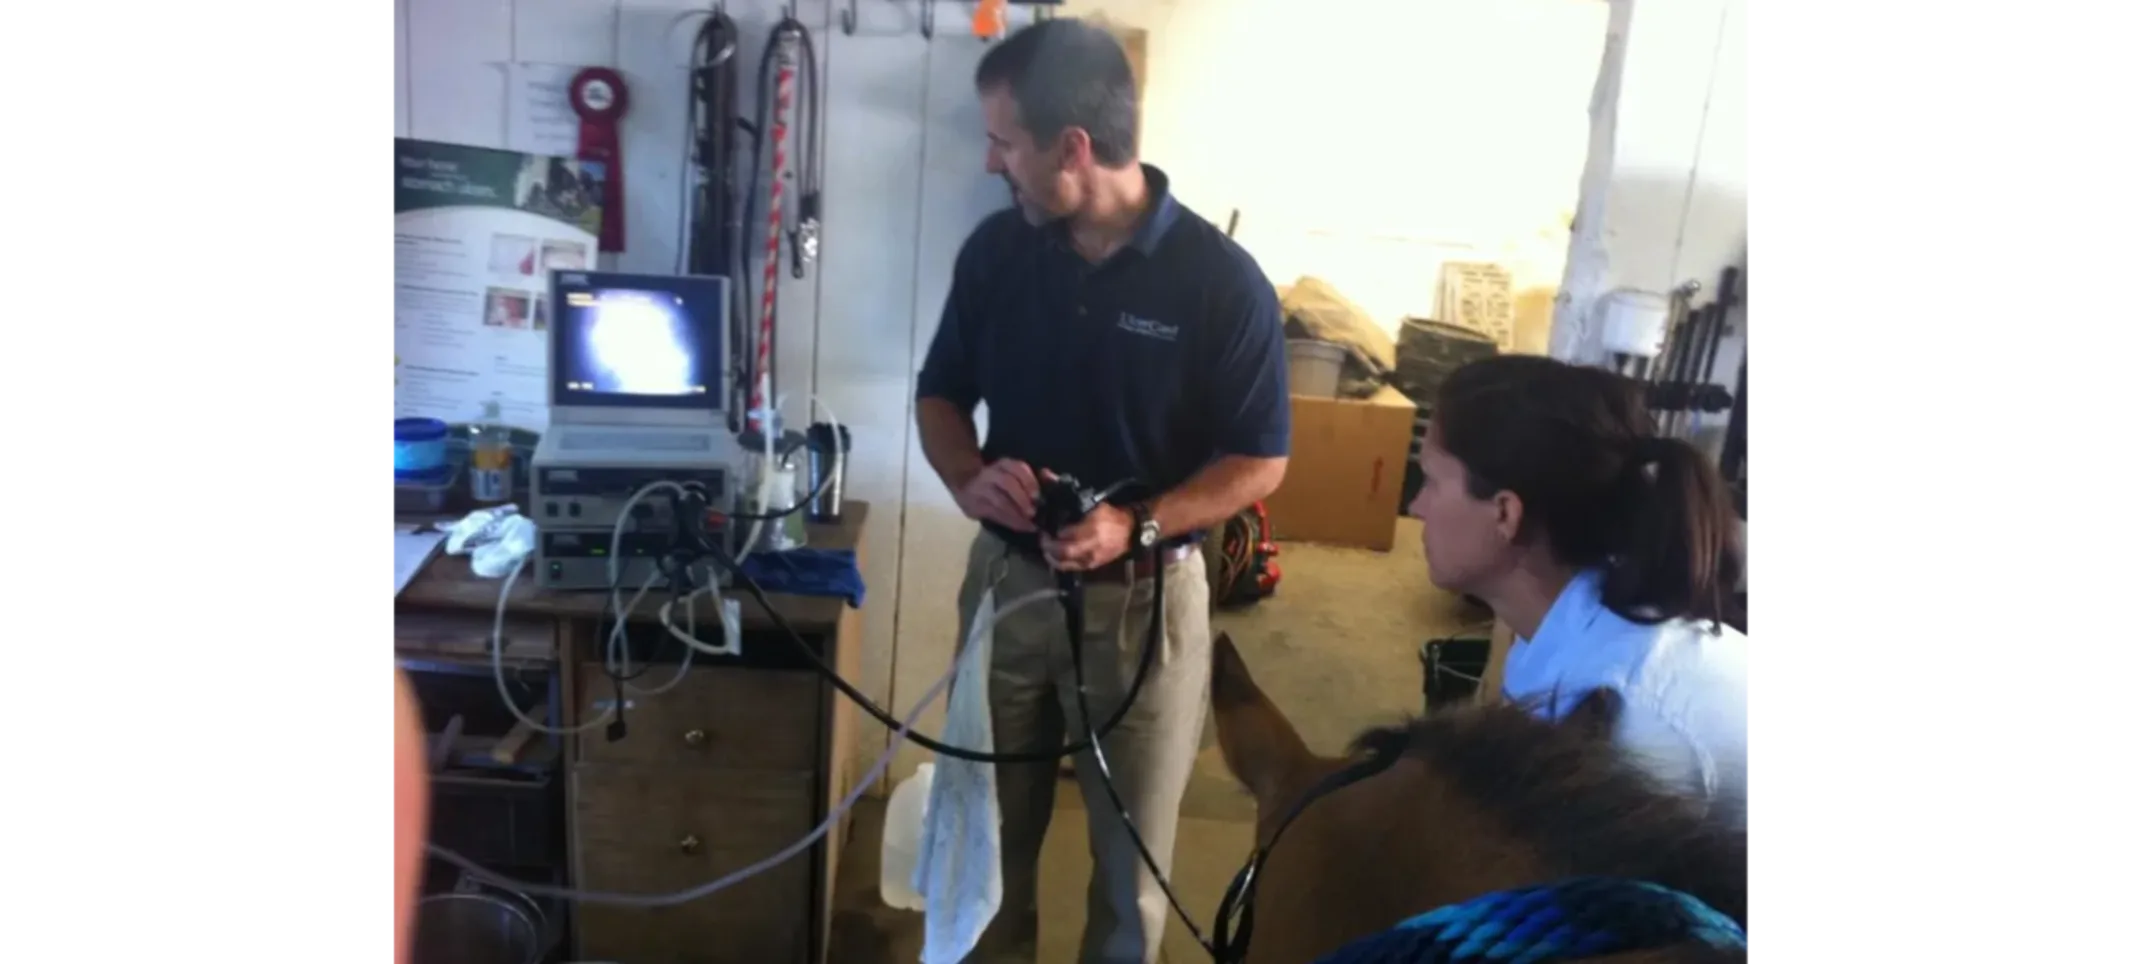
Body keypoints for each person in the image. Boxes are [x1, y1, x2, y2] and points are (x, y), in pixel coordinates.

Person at [913, 18, 1290, 964]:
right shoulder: (996, 255)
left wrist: (1140, 522)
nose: (993, 161)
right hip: (1008, 592)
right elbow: (941, 393)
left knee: (1131, 883)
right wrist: (968, 476)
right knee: (985, 856)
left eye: (1004, 141)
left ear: (1072, 149)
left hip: (1148, 609)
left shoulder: (1221, 284)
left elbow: (1261, 460)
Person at [1407, 355, 1751, 831]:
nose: (1415, 506)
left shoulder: (1637, 732)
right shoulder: (1561, 624)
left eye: (1431, 481)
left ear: (1505, 513)